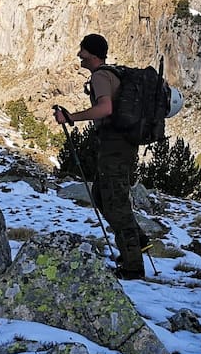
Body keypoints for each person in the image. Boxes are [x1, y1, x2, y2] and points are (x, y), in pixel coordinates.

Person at [52, 34, 147, 279]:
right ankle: (137, 239)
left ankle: (132, 265)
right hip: (120, 144)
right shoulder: (113, 73)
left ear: (92, 53)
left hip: (114, 145)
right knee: (101, 196)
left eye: (82, 50)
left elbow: (105, 108)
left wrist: (71, 117)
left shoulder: (100, 76)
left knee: (115, 202)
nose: (79, 55)